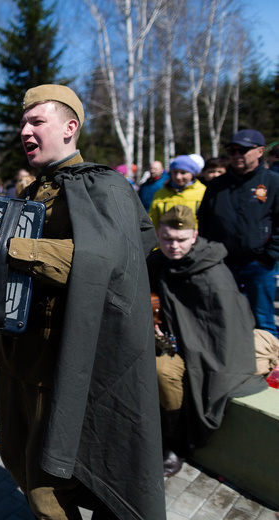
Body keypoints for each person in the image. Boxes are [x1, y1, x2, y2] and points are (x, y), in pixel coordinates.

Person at [0, 85, 163, 519]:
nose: (25, 132)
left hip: (61, 367)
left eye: (37, 122)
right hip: (16, 360)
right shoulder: (31, 194)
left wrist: (5, 248)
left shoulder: (103, 186)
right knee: (19, 464)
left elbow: (103, 263)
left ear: (70, 128)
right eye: (22, 125)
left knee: (48, 491)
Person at [149, 205, 266, 476]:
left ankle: (174, 444)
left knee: (164, 372)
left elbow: (224, 327)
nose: (173, 246)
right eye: (166, 239)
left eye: (180, 240)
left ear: (194, 236)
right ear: (158, 234)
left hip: (202, 349)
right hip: (168, 339)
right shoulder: (157, 261)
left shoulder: (212, 272)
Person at [197, 129, 279, 339]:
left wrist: (268, 256)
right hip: (222, 264)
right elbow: (205, 222)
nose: (236, 155)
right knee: (223, 317)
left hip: (258, 265)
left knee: (263, 321)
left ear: (260, 151)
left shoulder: (272, 182)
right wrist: (209, 255)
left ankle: (271, 368)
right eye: (232, 151)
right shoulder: (217, 185)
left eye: (242, 150)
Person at [148, 154, 207, 228]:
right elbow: (153, 220)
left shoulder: (203, 192)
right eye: (175, 172)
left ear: (192, 173)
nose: (178, 177)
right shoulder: (160, 194)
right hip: (167, 238)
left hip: (195, 238)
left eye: (183, 173)